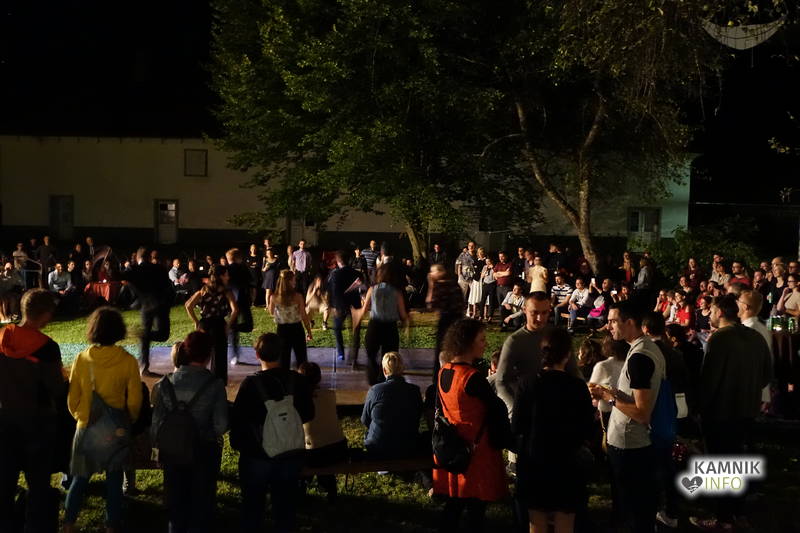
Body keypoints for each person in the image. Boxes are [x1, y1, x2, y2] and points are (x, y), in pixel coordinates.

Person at [689, 295, 772, 531]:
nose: (709, 314)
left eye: (712, 310)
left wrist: (700, 408)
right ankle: (737, 512)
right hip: (747, 410)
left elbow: (710, 379)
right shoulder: (755, 337)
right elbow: (767, 374)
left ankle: (723, 518)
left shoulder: (720, 339)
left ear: (720, 312)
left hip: (721, 413)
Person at [64, 307, 143, 533]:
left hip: (86, 425)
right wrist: (130, 418)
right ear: (119, 330)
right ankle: (111, 525)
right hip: (115, 428)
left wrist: (80, 416)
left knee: (79, 478)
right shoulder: (128, 360)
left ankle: (69, 523)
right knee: (114, 480)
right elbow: (135, 399)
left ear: (93, 329)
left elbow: (72, 398)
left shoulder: (81, 358)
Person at [588, 301, 665, 533]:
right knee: (637, 504)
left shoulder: (640, 357)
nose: (609, 326)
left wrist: (608, 397)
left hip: (630, 443)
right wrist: (611, 392)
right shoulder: (645, 347)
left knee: (632, 507)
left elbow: (642, 412)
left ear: (630, 322)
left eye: (613, 321)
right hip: (633, 442)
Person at [512, 328, 595, 533]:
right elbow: (587, 427)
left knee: (536, 521)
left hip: (535, 460)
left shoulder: (527, 383)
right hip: (567, 462)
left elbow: (517, 425)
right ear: (567, 355)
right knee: (565, 520)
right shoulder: (577, 387)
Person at [231, 333, 314, 533]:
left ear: (257, 355)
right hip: (290, 453)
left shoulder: (250, 385)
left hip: (257, 454)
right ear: (282, 353)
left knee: (252, 508)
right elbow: (309, 413)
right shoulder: (297, 380)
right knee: (285, 509)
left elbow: (238, 419)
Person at [433, 319, 509, 533]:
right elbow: (497, 407)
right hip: (476, 449)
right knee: (476, 505)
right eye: (481, 340)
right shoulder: (472, 378)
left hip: (454, 444)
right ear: (467, 343)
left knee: (456, 501)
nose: (485, 344)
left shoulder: (443, 371)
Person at [0, 289, 66, 532]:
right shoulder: (47, 347)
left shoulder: (3, 337)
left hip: (5, 419)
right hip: (38, 423)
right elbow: (56, 389)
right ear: (46, 314)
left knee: (4, 483)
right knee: (38, 485)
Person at [151, 332, 228, 533]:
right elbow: (221, 425)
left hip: (173, 451)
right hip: (203, 452)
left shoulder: (165, 383)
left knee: (176, 507)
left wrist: (158, 451)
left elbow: (156, 424)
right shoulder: (215, 385)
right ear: (209, 355)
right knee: (201, 507)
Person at [297, 362, 347, 503]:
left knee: (308, 452)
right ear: (319, 378)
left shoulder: (299, 400)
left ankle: (301, 487)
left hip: (315, 454)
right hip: (338, 449)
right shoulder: (330, 395)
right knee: (322, 446)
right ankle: (329, 488)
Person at [354, 265, 410, 385]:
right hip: (390, 327)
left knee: (371, 354)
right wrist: (406, 321)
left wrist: (356, 315)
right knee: (389, 356)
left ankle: (373, 380)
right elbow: (403, 314)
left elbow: (364, 310)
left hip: (375, 325)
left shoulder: (372, 289)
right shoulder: (397, 292)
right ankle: (386, 378)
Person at [122, 247, 173, 377]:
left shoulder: (135, 269)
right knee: (162, 335)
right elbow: (167, 286)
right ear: (149, 257)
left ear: (137, 257)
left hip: (145, 307)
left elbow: (120, 277)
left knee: (146, 335)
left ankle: (144, 366)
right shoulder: (159, 268)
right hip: (160, 305)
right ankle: (144, 336)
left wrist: (127, 267)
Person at [361, 352, 423, 458]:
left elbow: (365, 420)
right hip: (408, 446)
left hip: (378, 447)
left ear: (384, 370)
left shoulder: (375, 390)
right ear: (402, 369)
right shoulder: (415, 391)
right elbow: (417, 416)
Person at [185, 265, 239, 383]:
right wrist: (228, 325)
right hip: (219, 325)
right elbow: (235, 310)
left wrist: (196, 322)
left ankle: (199, 380)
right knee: (220, 357)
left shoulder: (203, 290)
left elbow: (188, 305)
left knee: (201, 355)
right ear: (220, 276)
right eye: (226, 275)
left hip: (205, 325)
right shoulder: (226, 291)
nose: (228, 277)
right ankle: (219, 382)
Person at [426, 264, 464, 381]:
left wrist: (431, 284)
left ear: (440, 272)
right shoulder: (455, 285)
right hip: (457, 321)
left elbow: (430, 304)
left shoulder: (440, 286)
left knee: (441, 349)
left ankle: (438, 378)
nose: (431, 274)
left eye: (433, 271)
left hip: (446, 321)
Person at [269, 270, 313, 370]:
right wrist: (309, 331)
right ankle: (302, 376)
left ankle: (284, 378)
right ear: (289, 281)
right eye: (293, 280)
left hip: (282, 329)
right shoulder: (297, 297)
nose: (295, 282)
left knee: (283, 358)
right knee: (301, 357)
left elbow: (271, 312)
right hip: (296, 328)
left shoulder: (274, 297)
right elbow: (303, 315)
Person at [327, 250, 363, 366]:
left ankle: (341, 352)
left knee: (337, 328)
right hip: (355, 305)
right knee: (355, 332)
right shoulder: (356, 273)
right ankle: (353, 358)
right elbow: (362, 286)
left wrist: (334, 306)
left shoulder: (335, 274)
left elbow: (334, 291)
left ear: (338, 261)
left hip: (341, 306)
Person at [225, 248, 254, 366]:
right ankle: (233, 328)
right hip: (243, 299)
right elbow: (250, 282)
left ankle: (234, 355)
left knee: (234, 326)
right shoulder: (243, 268)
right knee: (248, 325)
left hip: (231, 301)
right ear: (238, 258)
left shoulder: (227, 269)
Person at [466, 247, 487, 319]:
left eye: (482, 253)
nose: (480, 254)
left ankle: (484, 315)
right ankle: (474, 313)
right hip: (476, 281)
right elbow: (474, 270)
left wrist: (482, 274)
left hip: (483, 281)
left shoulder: (486, 261)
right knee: (475, 297)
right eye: (479, 253)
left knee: (483, 298)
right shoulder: (475, 260)